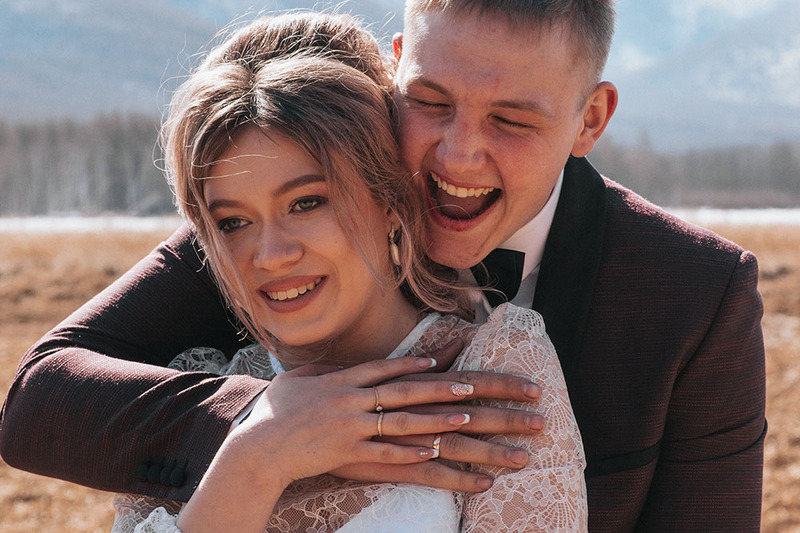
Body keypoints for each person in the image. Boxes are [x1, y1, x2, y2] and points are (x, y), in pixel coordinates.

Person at [0, 1, 766, 531]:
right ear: (394, 70)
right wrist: (270, 426)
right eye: (430, 101)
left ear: (589, 119)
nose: (457, 155)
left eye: (511, 120)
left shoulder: (697, 296)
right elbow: (39, 400)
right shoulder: (283, 217)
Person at [108, 20, 586, 531]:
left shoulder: (495, 371)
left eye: (307, 202)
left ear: (389, 201)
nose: (269, 256)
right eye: (234, 222)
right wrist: (254, 456)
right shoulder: (194, 396)